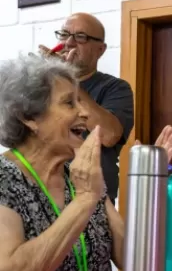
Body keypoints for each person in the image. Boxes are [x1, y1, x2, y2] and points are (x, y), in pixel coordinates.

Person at [0, 55, 172, 271]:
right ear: (29, 117)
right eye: (70, 102)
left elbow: (133, 260)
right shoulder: (4, 178)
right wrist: (84, 200)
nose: (83, 112)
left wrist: (149, 185)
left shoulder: (79, 175)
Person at [40, 12, 134, 203]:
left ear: (101, 49)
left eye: (81, 37)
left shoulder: (115, 88)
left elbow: (108, 135)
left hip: (93, 199)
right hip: (43, 192)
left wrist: (68, 78)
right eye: (64, 34)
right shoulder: (44, 86)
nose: (69, 43)